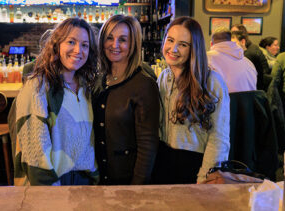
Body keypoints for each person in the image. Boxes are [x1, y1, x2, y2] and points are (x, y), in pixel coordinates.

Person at [13, 18, 99, 186]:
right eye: (71, 42)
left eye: (85, 45)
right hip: (52, 184)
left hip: (84, 182)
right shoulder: (37, 87)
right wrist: (50, 194)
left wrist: (94, 178)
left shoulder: (87, 87)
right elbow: (35, 155)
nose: (78, 50)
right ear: (57, 45)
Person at [153, 17, 230, 184]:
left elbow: (219, 137)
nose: (173, 49)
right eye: (170, 40)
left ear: (193, 48)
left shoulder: (211, 81)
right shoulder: (164, 77)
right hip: (163, 161)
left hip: (195, 164)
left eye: (183, 44)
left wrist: (205, 176)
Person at [93, 14, 160, 185]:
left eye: (122, 39)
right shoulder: (99, 79)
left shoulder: (144, 83)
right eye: (109, 38)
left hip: (126, 181)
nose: (114, 45)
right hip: (97, 178)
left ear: (133, 44)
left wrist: (136, 188)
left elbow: (148, 145)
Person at [207, 27, 257, 93]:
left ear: (211, 44)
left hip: (224, 102)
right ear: (230, 41)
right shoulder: (249, 62)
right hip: (249, 103)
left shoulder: (206, 58)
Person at [231, 25, 271, 90]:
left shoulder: (248, 54)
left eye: (235, 32)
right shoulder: (249, 48)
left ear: (243, 41)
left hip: (257, 89)